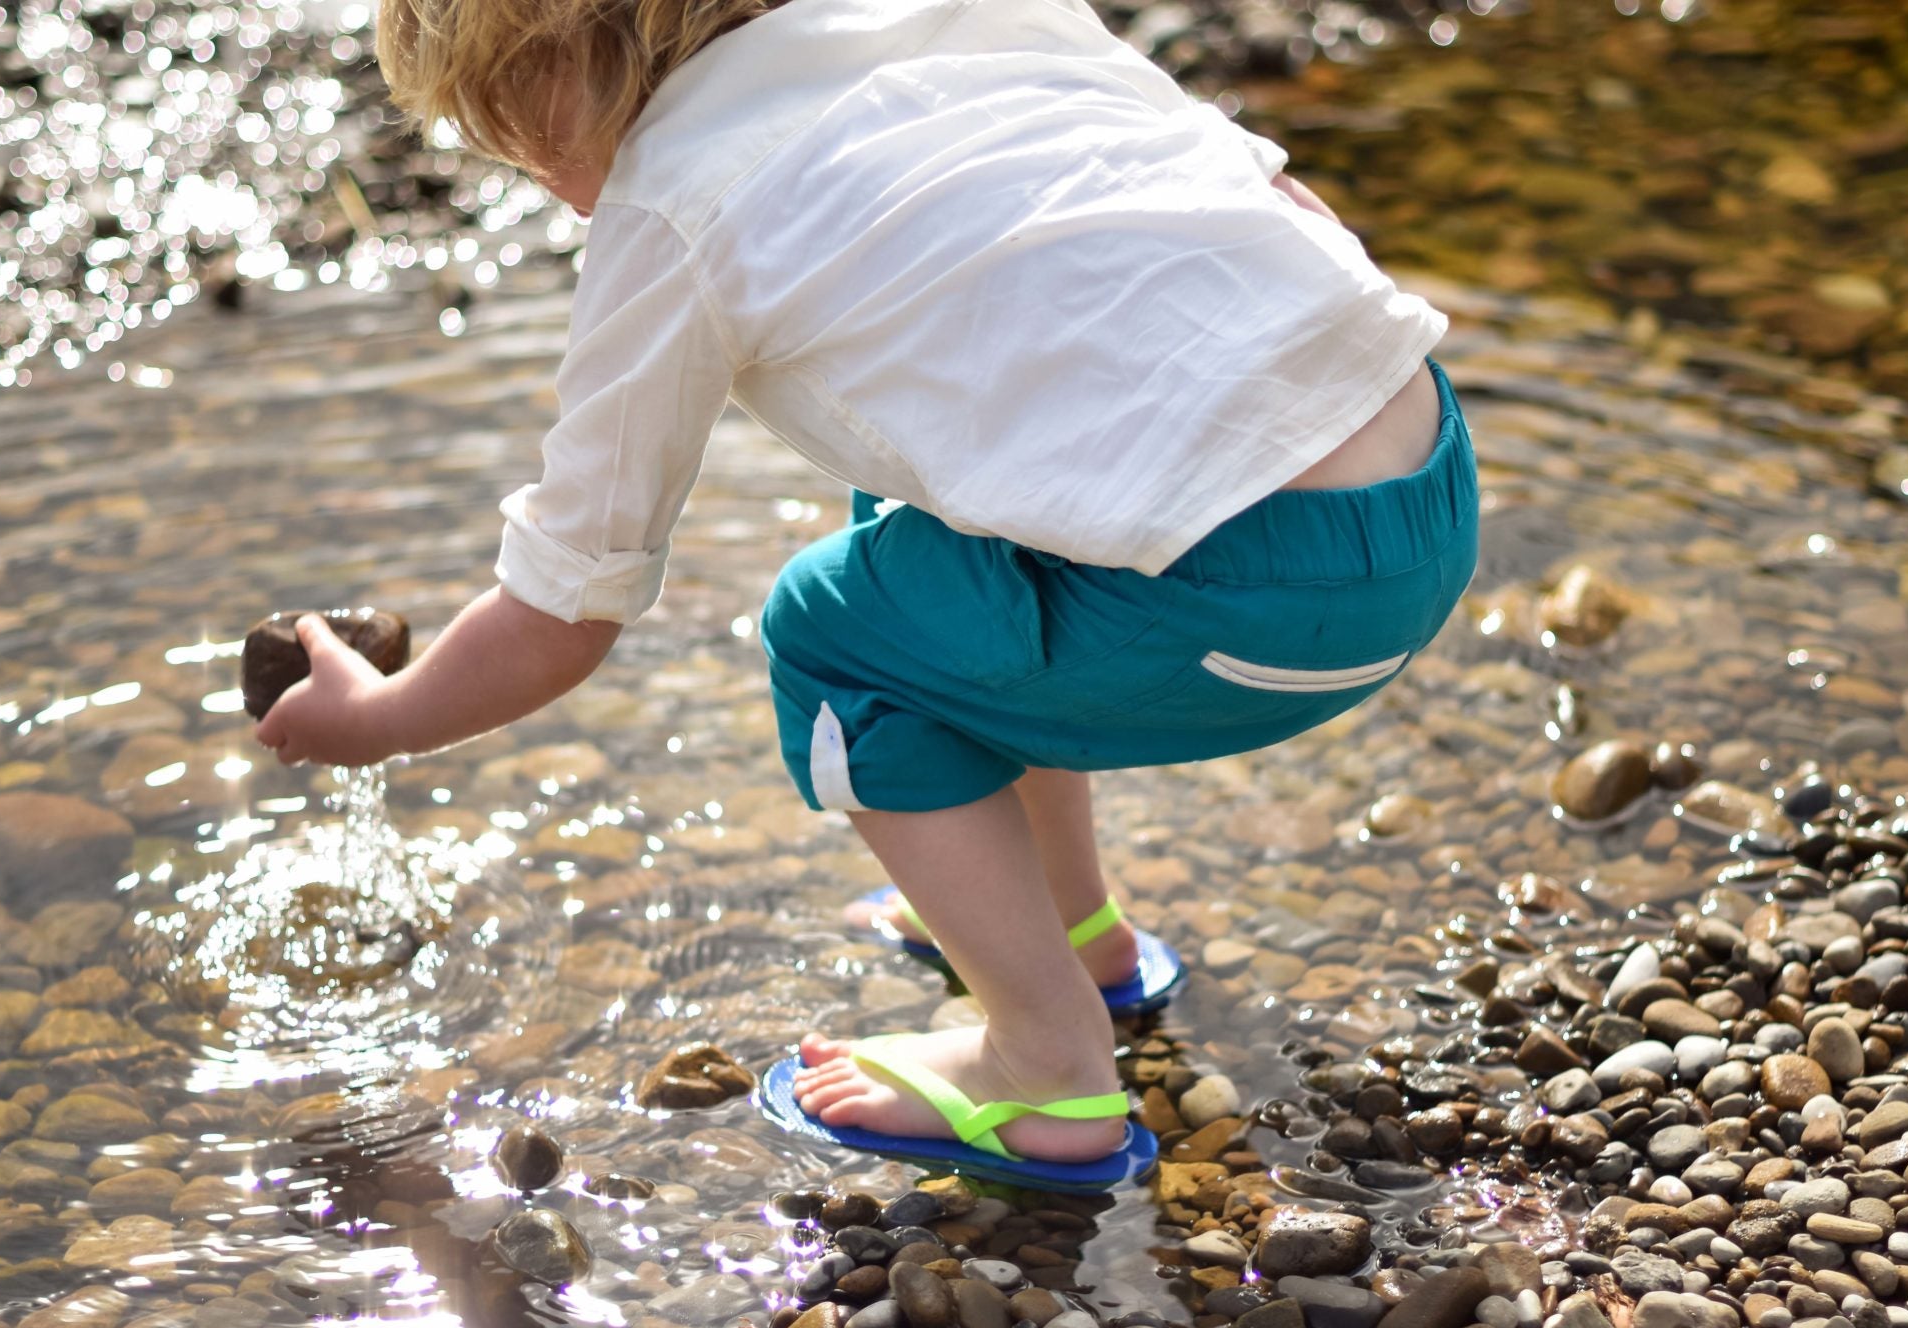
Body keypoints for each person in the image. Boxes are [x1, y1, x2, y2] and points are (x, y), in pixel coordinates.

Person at [256, 0, 1478, 1182]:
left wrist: (383, 717)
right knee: (913, 528)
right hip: (1427, 489)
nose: (534, 176)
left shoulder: (674, 198)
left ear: (555, 66)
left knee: (831, 631)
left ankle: (1043, 1065)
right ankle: (1074, 933)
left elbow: (562, 608)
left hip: (1240, 611)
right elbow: (1274, 210)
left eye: (512, 137)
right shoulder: (975, 16)